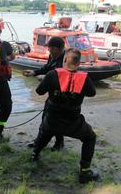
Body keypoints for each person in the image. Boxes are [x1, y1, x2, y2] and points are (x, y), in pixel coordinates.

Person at [30, 48, 100, 184]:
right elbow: (92, 93)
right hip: (72, 123)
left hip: (52, 120)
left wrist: (44, 80)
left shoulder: (51, 75)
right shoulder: (84, 78)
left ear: (65, 60)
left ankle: (34, 155)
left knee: (46, 130)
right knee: (90, 137)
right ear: (78, 63)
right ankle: (84, 173)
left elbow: (39, 92)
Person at [23, 36, 66, 151]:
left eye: (50, 48)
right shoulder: (52, 56)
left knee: (52, 119)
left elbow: (64, 76)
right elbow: (47, 68)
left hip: (63, 95)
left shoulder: (66, 59)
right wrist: (34, 72)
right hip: (52, 94)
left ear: (57, 49)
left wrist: (46, 78)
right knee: (48, 118)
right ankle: (42, 141)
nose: (49, 50)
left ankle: (57, 143)